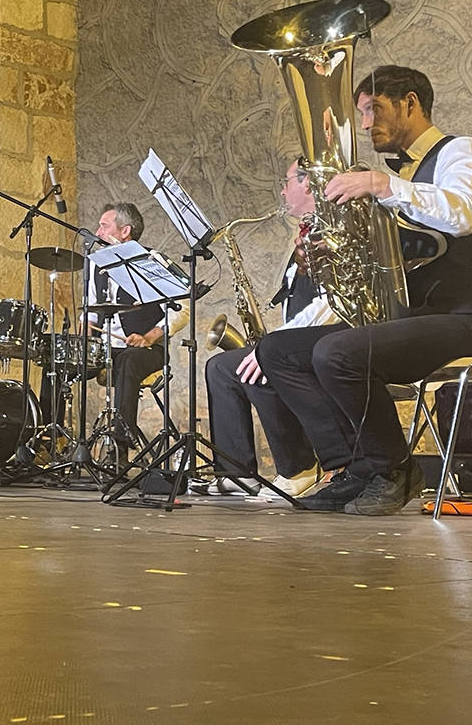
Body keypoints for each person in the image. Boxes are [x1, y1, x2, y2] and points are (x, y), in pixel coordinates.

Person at [257, 65, 472, 515]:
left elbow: (464, 214)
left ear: (410, 102)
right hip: (410, 320)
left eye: (373, 110)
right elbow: (381, 262)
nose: (366, 124)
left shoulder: (462, 152)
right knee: (277, 351)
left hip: (465, 320)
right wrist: (325, 258)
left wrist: (381, 183)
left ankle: (393, 469)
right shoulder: (396, 179)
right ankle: (352, 467)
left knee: (337, 353)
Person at [203, 160, 337, 497]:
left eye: (287, 181)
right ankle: (237, 473)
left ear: (308, 185)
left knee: (259, 364)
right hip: (300, 340)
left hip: (329, 341)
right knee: (220, 367)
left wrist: (274, 346)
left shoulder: (331, 232)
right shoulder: (305, 232)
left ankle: (298, 468)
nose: (281, 189)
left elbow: (331, 304)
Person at [83, 203, 186, 447]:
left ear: (125, 231)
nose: (97, 232)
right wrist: (82, 341)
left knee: (128, 360)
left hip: (148, 350)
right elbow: (90, 312)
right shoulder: (97, 264)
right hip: (105, 347)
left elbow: (183, 308)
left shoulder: (152, 261)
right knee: (57, 357)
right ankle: (46, 443)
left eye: (104, 226)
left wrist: (149, 337)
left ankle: (121, 445)